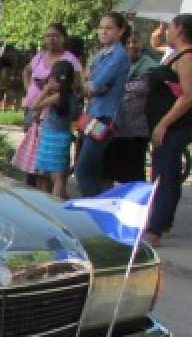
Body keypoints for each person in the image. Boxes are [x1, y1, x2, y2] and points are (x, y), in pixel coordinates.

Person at [145, 13, 192, 246]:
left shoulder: (189, 58)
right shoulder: (175, 54)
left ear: (179, 29)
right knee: (163, 170)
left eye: (169, 27)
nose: (166, 31)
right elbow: (158, 46)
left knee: (165, 174)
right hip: (164, 122)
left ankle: (156, 228)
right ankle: (162, 220)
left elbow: (188, 97)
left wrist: (163, 123)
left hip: (174, 125)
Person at [12, 23, 80, 186]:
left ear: (63, 38)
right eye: (48, 35)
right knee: (31, 151)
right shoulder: (40, 56)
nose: (51, 39)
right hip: (33, 107)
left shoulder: (70, 59)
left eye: (55, 35)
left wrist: (53, 92)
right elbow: (27, 71)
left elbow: (76, 86)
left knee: (48, 160)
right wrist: (29, 90)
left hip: (53, 113)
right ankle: (32, 187)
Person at [74, 12, 131, 196]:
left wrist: (87, 84)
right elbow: (88, 79)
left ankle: (93, 211)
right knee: (92, 170)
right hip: (93, 116)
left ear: (120, 31)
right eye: (101, 27)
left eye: (109, 28)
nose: (103, 32)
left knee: (83, 170)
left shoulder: (118, 55)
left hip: (105, 118)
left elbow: (94, 85)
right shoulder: (100, 54)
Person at [103, 32, 157, 185]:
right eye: (128, 42)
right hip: (112, 127)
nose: (132, 46)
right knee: (107, 172)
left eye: (136, 42)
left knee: (133, 177)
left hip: (136, 130)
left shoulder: (150, 67)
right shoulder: (111, 63)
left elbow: (142, 88)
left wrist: (115, 86)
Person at [31, 59, 80, 199]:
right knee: (59, 178)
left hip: (49, 137)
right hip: (63, 136)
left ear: (54, 78)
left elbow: (35, 106)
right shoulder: (73, 97)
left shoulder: (57, 97)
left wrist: (45, 90)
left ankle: (47, 206)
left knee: (46, 175)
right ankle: (56, 205)